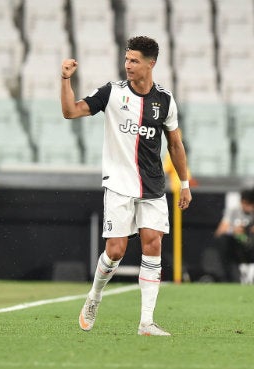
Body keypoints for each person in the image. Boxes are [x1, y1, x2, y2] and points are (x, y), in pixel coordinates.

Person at [60, 36, 192, 336]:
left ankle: (146, 322)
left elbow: (175, 144)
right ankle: (94, 296)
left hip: (153, 185)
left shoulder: (165, 101)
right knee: (116, 251)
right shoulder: (112, 92)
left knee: (153, 243)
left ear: (151, 63)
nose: (127, 65)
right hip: (119, 183)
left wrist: (184, 183)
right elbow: (71, 112)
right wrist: (65, 80)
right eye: (126, 59)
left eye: (134, 60)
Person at [214, 188, 254, 283]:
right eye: (249, 204)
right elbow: (219, 232)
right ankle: (231, 277)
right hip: (236, 247)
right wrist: (233, 230)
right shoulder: (233, 210)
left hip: (251, 246)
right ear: (242, 202)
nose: (251, 208)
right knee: (224, 239)